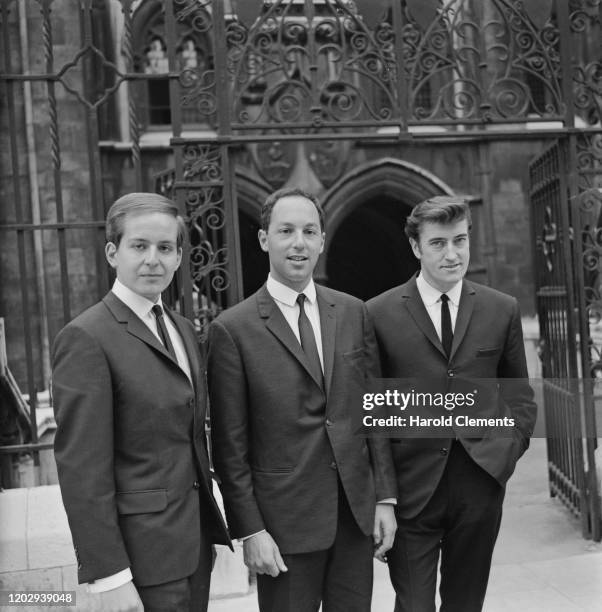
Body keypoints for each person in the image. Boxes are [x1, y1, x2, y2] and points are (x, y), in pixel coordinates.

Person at [207, 187, 397, 612]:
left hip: (353, 517)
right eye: (286, 231)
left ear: (322, 241)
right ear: (264, 239)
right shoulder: (232, 330)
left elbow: (375, 413)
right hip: (283, 527)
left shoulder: (352, 312)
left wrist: (384, 498)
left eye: (310, 231)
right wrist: (251, 530)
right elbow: (229, 446)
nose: (299, 243)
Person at [52, 193, 231, 612]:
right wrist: (109, 576)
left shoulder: (184, 329)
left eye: (165, 248)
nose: (153, 259)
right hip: (139, 563)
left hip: (194, 550)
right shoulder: (87, 338)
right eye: (140, 246)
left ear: (179, 257)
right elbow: (82, 470)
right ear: (113, 253)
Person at [366, 196, 537, 612]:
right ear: (416, 247)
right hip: (411, 490)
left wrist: (505, 455)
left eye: (460, 240)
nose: (452, 253)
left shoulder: (502, 308)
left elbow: (520, 399)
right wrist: (384, 495)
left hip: (479, 482)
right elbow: (373, 414)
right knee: (414, 605)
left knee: (465, 604)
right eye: (439, 243)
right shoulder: (377, 313)